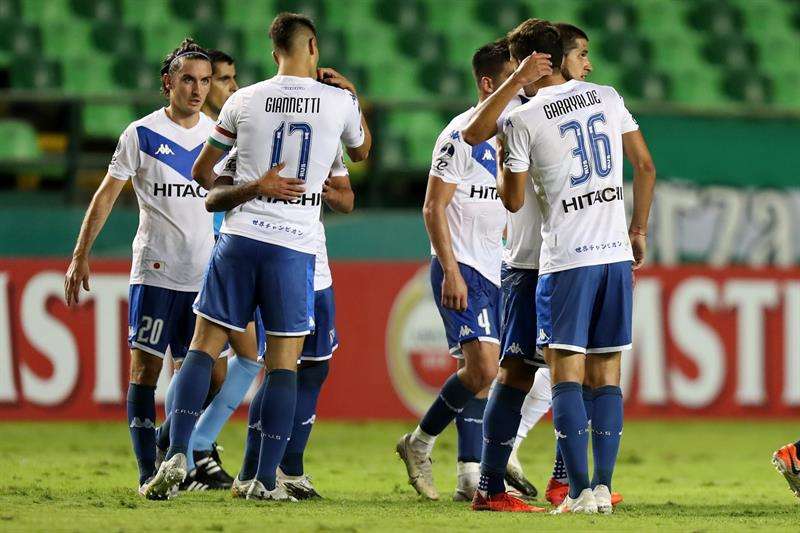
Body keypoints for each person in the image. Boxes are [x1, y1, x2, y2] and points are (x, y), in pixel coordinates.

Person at [143, 12, 371, 501]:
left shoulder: (244, 100)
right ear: (312, 46)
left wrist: (254, 186)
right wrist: (352, 96)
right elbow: (362, 152)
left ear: (273, 54)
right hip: (294, 247)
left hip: (240, 240)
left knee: (202, 349)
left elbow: (205, 175)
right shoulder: (339, 102)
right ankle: (262, 480)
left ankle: (177, 454)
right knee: (283, 364)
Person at [476, 19, 656, 514]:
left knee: (566, 378)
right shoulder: (607, 96)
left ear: (533, 62)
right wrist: (637, 230)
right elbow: (645, 164)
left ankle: (575, 492)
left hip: (565, 260)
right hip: (615, 254)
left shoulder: (522, 120)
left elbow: (512, 202)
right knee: (608, 376)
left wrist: (508, 156)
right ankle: (599, 487)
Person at [63, 39, 215, 498]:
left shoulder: (218, 134)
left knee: (214, 379)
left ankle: (169, 449)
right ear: (168, 81)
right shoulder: (141, 134)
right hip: (155, 271)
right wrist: (79, 254)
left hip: (206, 277)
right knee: (144, 373)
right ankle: (149, 474)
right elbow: (106, 193)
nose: (197, 89)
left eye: (205, 81)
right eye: (188, 79)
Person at [394, 39, 517, 503]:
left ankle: (469, 474)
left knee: (483, 373)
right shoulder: (457, 135)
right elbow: (433, 207)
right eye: (511, 79)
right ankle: (419, 443)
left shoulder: (512, 136)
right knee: (483, 367)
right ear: (488, 83)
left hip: (498, 268)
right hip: (462, 265)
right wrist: (450, 270)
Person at [230, 147, 355, 500]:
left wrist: (334, 194)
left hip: (316, 264)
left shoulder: (329, 130)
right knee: (280, 369)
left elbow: (347, 199)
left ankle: (284, 469)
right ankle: (258, 471)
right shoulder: (266, 130)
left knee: (314, 368)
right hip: (279, 259)